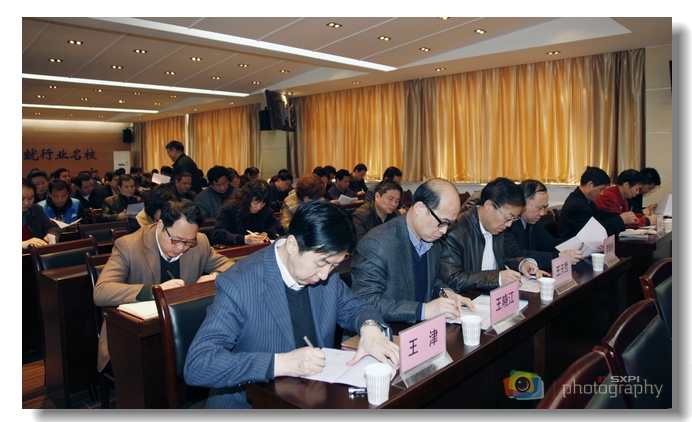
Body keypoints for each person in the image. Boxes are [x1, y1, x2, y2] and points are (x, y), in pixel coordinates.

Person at [184, 200, 400, 409]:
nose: (325, 275)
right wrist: (280, 364)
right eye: (322, 263)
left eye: (334, 266)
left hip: (312, 398)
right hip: (253, 405)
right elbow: (199, 364)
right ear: (292, 244)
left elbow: (356, 307)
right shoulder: (239, 283)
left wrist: (370, 327)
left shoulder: (324, 275)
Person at [93, 200, 234, 372]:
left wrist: (214, 276)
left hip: (184, 331)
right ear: (160, 225)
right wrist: (155, 291)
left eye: (188, 242)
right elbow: (101, 291)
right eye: (176, 240)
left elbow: (232, 267)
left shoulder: (200, 243)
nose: (181, 248)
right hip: (135, 338)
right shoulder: (128, 246)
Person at [351, 178, 475, 324]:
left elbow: (430, 280)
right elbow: (365, 301)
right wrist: (423, 310)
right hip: (388, 331)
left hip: (422, 328)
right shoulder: (376, 244)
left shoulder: (432, 238)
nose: (444, 230)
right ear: (419, 208)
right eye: (442, 222)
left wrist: (445, 292)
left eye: (450, 224)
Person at [440, 177, 547, 293]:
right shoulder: (454, 232)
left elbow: (500, 261)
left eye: (514, 219)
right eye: (508, 217)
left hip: (493, 294)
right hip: (469, 298)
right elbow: (451, 279)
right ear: (489, 205)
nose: (509, 224)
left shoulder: (496, 227)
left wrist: (521, 264)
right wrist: (497, 278)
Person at [504, 180, 583, 269]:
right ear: (522, 203)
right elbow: (515, 254)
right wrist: (558, 257)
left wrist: (578, 243)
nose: (542, 213)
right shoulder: (508, 223)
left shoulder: (534, 221)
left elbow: (548, 243)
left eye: (544, 208)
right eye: (539, 207)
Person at [558, 167, 637, 239]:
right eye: (601, 189)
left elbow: (601, 215)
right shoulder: (576, 205)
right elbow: (593, 230)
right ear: (590, 185)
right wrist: (620, 220)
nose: (602, 193)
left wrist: (621, 216)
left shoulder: (584, 199)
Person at [211, 179, 286, 246]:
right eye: (256, 203)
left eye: (263, 203)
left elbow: (277, 226)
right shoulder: (230, 208)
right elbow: (217, 233)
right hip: (235, 252)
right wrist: (244, 239)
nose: (259, 207)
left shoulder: (265, 209)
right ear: (247, 198)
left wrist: (265, 233)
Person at [22, 178, 61, 251]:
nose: (26, 203)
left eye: (30, 198)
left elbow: (52, 227)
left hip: (37, 254)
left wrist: (51, 235)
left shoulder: (36, 209)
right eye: (22, 199)